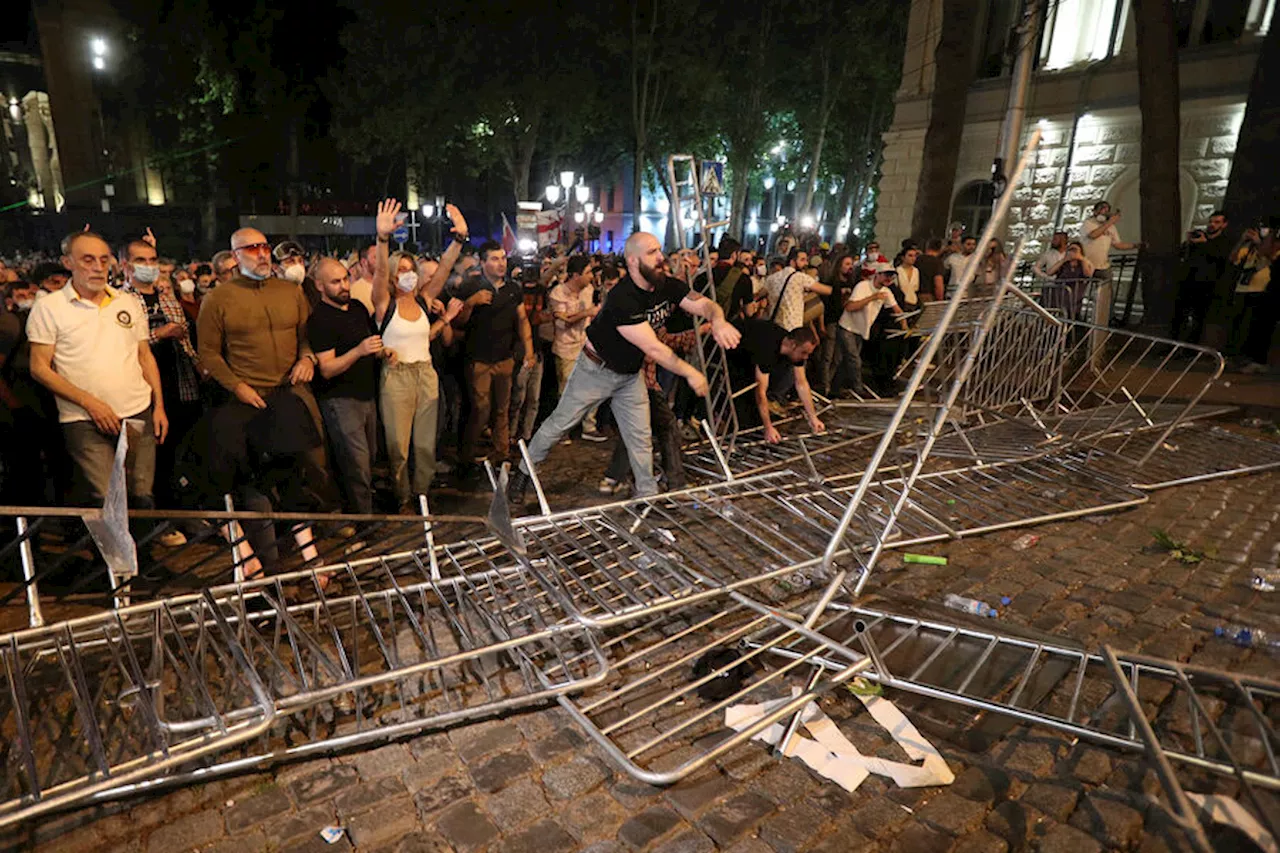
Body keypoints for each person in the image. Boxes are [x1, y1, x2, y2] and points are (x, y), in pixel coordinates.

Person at [508, 232, 741, 505]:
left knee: (640, 436)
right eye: (652, 253)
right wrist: (690, 373)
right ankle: (523, 472)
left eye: (659, 251)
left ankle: (647, 494)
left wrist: (719, 320)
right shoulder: (623, 298)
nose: (660, 258)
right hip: (595, 371)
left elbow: (704, 303)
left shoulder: (666, 284)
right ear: (632, 261)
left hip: (630, 374)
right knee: (560, 424)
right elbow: (654, 348)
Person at [25, 230, 169, 513]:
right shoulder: (49, 307)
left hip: (137, 411)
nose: (97, 267)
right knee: (105, 499)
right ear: (68, 262)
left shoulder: (126, 302)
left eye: (103, 260)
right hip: (83, 419)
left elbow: (144, 356)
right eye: (87, 259)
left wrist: (159, 406)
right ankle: (110, 558)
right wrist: (89, 402)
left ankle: (142, 556)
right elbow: (39, 367)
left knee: (141, 496)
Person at [371, 199, 466, 508]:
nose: (408, 276)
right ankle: (402, 495)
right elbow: (379, 272)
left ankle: (422, 493)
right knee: (397, 445)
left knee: (425, 444)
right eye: (401, 272)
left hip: (426, 375)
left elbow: (445, 269)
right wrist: (382, 239)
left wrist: (459, 239)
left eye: (411, 270)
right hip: (396, 379)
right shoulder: (385, 304)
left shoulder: (425, 300)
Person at [121, 235, 202, 536]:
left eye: (153, 260)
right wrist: (159, 335)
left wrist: (199, 366)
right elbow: (129, 348)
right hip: (144, 394)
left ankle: (182, 515)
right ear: (126, 266)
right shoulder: (122, 301)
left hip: (180, 387)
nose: (149, 266)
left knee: (178, 457)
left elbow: (186, 343)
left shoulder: (168, 299)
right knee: (146, 465)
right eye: (141, 261)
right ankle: (155, 527)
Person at [454, 241, 535, 477]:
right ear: (483, 262)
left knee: (503, 408)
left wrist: (528, 349)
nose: (501, 263)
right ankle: (466, 455)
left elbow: (522, 320)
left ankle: (502, 453)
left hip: (505, 357)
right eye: (495, 259)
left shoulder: (513, 289)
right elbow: (458, 322)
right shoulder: (471, 287)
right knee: (480, 408)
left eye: (503, 258)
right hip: (478, 359)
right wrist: (472, 302)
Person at [727, 319, 824, 444]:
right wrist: (768, 427)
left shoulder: (794, 350)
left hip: (751, 355)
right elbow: (760, 391)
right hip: (735, 355)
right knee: (746, 406)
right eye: (804, 353)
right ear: (793, 345)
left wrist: (813, 418)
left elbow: (801, 383)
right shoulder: (768, 349)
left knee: (755, 413)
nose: (805, 357)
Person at [547, 255, 599, 441]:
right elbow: (562, 323)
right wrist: (586, 312)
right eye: (588, 273)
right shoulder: (558, 293)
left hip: (585, 345)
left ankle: (589, 426)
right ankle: (562, 431)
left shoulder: (589, 290)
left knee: (593, 386)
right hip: (566, 347)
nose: (591, 276)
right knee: (567, 391)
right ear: (576, 275)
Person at [840, 262, 908, 396]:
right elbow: (850, 307)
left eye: (891, 276)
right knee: (854, 359)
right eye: (886, 275)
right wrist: (872, 298)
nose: (889, 279)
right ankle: (858, 389)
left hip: (861, 330)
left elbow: (897, 310)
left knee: (845, 360)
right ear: (877, 275)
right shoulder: (863, 286)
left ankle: (837, 388)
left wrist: (905, 326)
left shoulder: (886, 292)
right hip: (848, 327)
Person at [1171, 210, 1232, 343]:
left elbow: (1220, 257)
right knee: (1178, 315)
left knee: (1198, 318)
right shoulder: (1200, 238)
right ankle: (1172, 344)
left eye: (1217, 222)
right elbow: (1182, 254)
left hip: (1206, 285)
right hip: (1188, 282)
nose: (1212, 225)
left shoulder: (1224, 242)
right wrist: (1188, 242)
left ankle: (1191, 348)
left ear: (1224, 224)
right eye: (1210, 221)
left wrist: (1205, 243)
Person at [509, 265, 552, 445]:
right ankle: (511, 433)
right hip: (520, 350)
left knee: (533, 397)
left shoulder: (542, 291)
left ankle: (526, 435)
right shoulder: (515, 292)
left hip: (537, 349)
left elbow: (546, 314)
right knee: (518, 396)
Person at [1079, 200, 1139, 326]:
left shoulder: (1110, 227)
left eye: (1107, 209)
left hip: (1103, 266)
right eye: (1102, 209)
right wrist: (1110, 222)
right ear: (1095, 211)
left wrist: (1135, 245)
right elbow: (1093, 235)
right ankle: (1077, 317)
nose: (1105, 211)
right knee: (1081, 292)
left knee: (1107, 295)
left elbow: (1118, 244)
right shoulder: (1088, 223)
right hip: (1086, 265)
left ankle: (1107, 319)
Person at [1228, 225, 1278, 374]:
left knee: (1254, 327)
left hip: (1260, 289)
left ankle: (1252, 359)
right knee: (1237, 325)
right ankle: (1235, 356)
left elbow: (1269, 256)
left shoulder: (1272, 247)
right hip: (1242, 288)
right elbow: (1232, 258)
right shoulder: (1248, 247)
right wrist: (1242, 240)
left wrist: (1259, 242)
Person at [813, 252, 857, 397]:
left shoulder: (852, 283)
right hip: (832, 321)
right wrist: (822, 325)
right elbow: (823, 305)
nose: (850, 267)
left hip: (845, 323)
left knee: (838, 357)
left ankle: (830, 384)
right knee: (828, 356)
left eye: (851, 264)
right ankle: (824, 386)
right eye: (847, 264)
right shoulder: (831, 283)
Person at [763, 247, 831, 332]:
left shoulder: (771, 278)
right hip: (792, 326)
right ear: (792, 262)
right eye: (802, 260)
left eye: (807, 260)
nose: (806, 263)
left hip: (775, 324)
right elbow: (826, 290)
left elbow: (760, 294)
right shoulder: (800, 277)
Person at [1045, 241, 1094, 319]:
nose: (1072, 252)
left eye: (1074, 250)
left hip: (1074, 296)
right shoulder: (1064, 264)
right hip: (1059, 294)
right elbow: (1050, 272)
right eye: (1070, 249)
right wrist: (1064, 260)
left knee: (1071, 315)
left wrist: (1081, 258)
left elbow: (1088, 274)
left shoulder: (1083, 263)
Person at [917, 239, 946, 303]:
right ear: (941, 248)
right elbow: (938, 283)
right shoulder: (937, 262)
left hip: (914, 295)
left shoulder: (917, 259)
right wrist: (940, 300)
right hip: (929, 296)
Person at [895, 245, 923, 311]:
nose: (913, 258)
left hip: (914, 302)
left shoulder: (916, 271)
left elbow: (916, 288)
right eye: (910, 256)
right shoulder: (897, 270)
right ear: (903, 257)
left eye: (915, 256)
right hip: (902, 303)